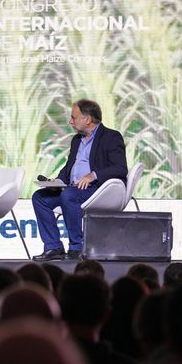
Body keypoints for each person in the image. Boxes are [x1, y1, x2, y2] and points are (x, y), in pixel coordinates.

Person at [32, 99, 127, 260]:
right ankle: (53, 246)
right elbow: (69, 166)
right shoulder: (77, 140)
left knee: (68, 196)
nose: (70, 121)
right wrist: (58, 182)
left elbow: (120, 168)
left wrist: (93, 175)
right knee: (40, 198)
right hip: (73, 188)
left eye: (73, 117)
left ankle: (77, 246)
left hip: (99, 189)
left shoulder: (111, 137)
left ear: (87, 119)